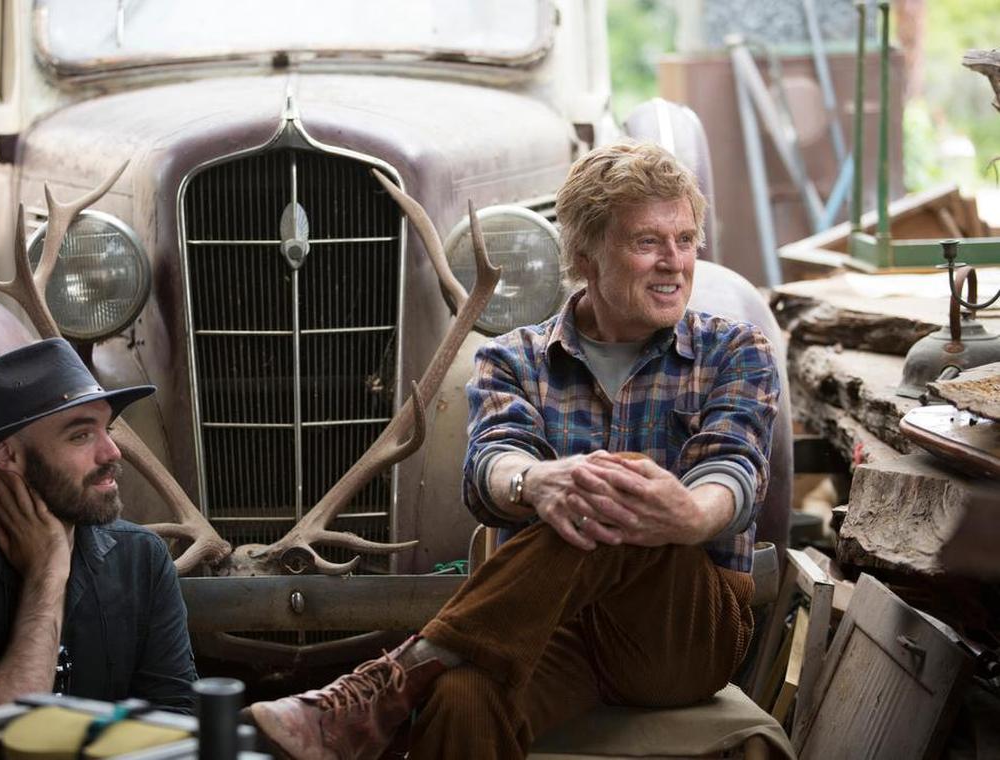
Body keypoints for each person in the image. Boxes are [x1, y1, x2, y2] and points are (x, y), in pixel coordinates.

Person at [246, 140, 781, 759]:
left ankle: (387, 683)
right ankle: (398, 692)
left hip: (681, 634)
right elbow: (493, 462)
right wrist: (536, 482)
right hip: (549, 632)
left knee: (615, 483)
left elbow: (734, 465)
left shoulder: (733, 350)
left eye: (685, 240)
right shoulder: (513, 357)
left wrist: (690, 513)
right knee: (461, 696)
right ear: (585, 256)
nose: (674, 262)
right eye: (647, 242)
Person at [0, 338, 197, 712]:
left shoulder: (142, 559)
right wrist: (47, 575)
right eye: (81, 435)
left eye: (108, 429)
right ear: (9, 456)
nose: (112, 452)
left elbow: (177, 720)